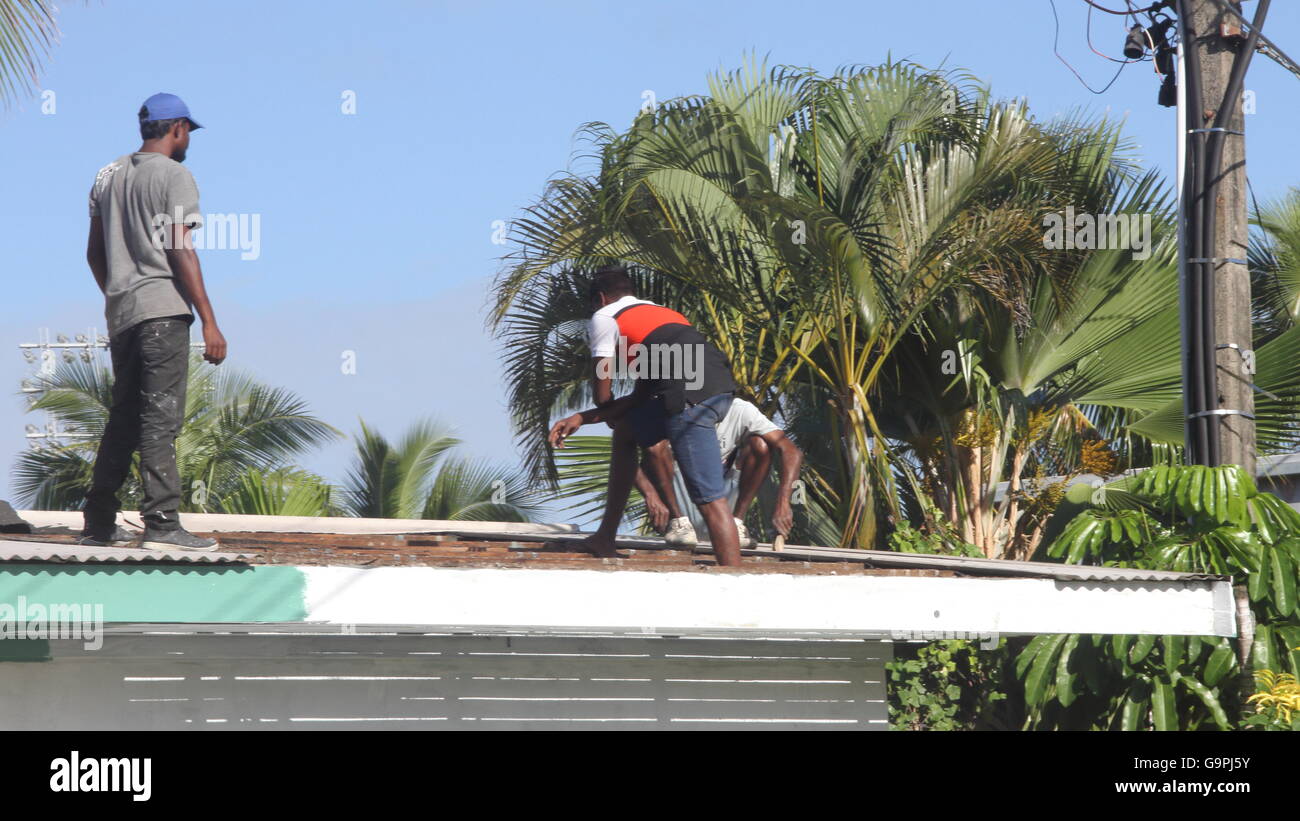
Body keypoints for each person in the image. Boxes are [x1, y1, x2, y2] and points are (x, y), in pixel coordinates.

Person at [79, 93, 226, 551]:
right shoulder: (174, 175)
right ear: (177, 127)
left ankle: (99, 521)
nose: (188, 142)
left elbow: (94, 253)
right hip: (162, 312)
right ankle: (162, 523)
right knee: (160, 420)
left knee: (123, 419)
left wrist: (120, 295)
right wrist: (210, 321)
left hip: (123, 316)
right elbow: (179, 247)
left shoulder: (107, 176)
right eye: (188, 133)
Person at [548, 266, 744, 566]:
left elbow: (603, 393)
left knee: (710, 500)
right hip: (719, 390)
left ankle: (734, 578)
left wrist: (598, 411)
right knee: (627, 429)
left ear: (600, 299)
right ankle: (605, 537)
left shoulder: (605, 317)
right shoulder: (666, 315)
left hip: (688, 401)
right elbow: (641, 396)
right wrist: (583, 418)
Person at [643, 398, 804, 548]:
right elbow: (624, 450)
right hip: (681, 496)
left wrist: (783, 503)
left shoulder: (739, 409)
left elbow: (791, 451)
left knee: (760, 445)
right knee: (655, 447)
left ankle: (737, 524)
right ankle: (678, 521)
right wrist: (650, 494)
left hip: (724, 498)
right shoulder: (669, 405)